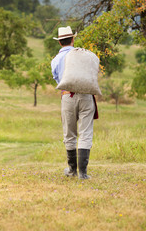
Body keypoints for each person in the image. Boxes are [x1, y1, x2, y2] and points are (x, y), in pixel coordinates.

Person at [51, 26, 98, 180]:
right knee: (85, 132)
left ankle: (72, 170)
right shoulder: (83, 55)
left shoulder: (56, 60)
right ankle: (83, 173)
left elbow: (58, 79)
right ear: (73, 39)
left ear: (59, 43)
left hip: (67, 97)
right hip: (86, 96)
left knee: (69, 133)